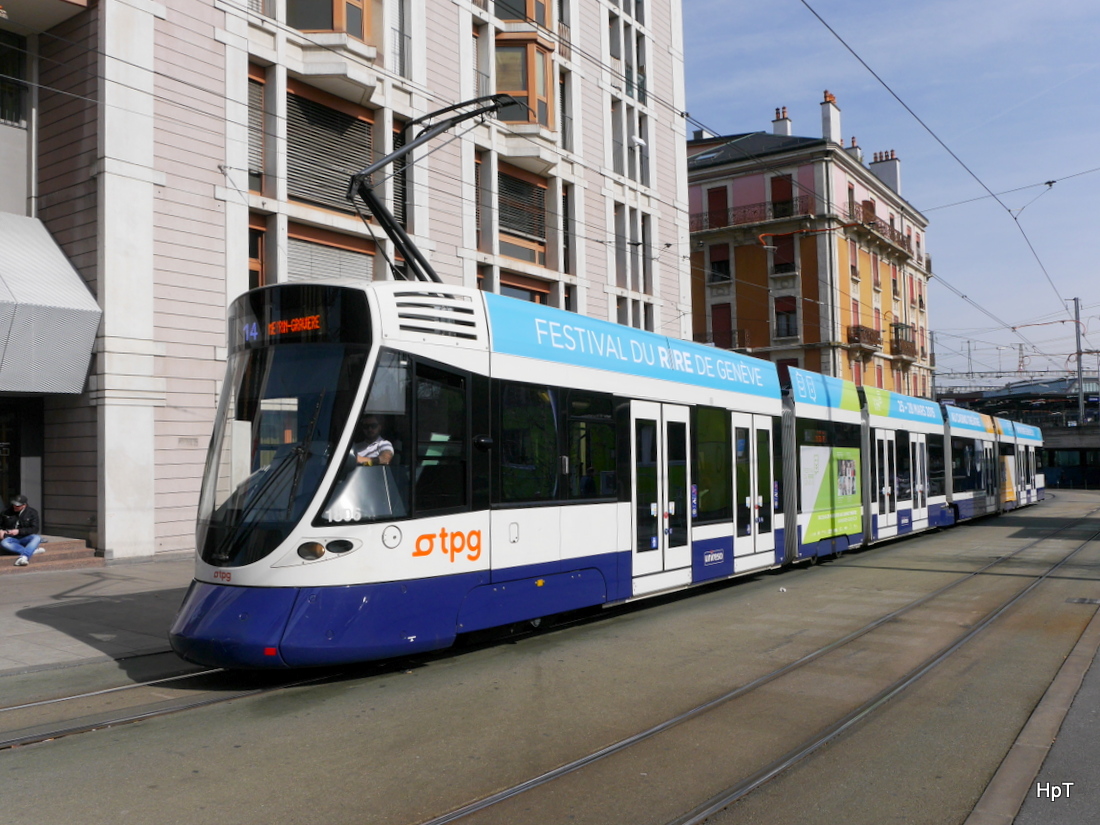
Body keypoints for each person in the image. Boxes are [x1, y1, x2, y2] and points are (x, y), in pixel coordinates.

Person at [1, 494, 43, 567]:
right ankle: (31, 551)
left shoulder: (32, 513)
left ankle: (24, 557)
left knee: (36, 538)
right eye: (14, 504)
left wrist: (19, 531)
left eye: (18, 506)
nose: (15, 507)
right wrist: (1, 531)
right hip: (10, 537)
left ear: (24, 505)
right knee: (4, 543)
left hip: (25, 537)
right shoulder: (6, 511)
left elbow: (34, 529)